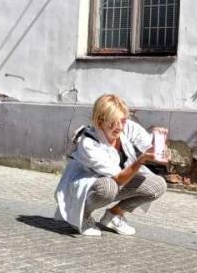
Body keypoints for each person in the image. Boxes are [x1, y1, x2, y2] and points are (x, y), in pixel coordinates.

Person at [53, 94, 168, 236]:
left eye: (122, 121)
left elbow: (150, 149)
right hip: (90, 184)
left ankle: (114, 215)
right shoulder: (88, 143)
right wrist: (140, 160)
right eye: (112, 122)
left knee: (158, 185)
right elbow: (119, 179)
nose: (119, 127)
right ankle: (82, 215)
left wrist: (160, 146)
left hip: (116, 181)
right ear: (100, 121)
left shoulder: (127, 126)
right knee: (108, 187)